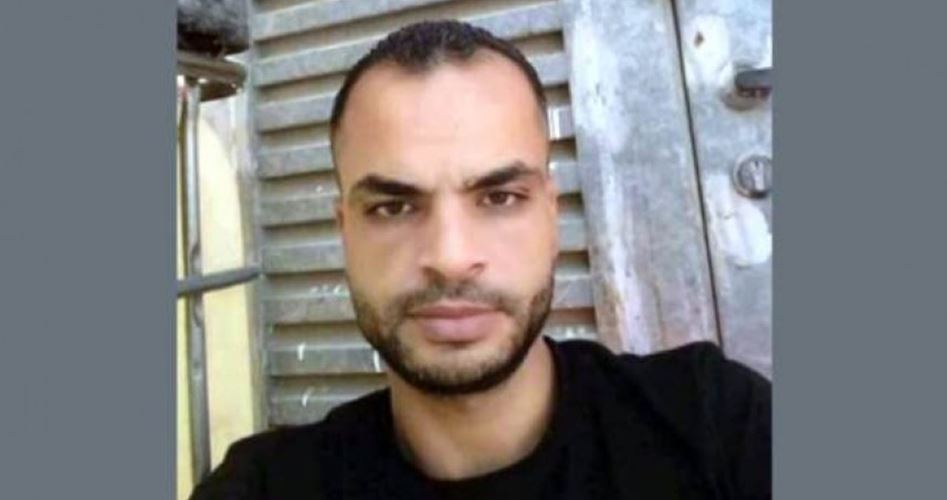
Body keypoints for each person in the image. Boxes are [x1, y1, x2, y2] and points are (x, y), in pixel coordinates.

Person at [190, 20, 771, 500]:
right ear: (345, 233)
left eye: (500, 198)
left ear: (551, 216)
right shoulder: (265, 486)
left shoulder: (718, 425)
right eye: (393, 207)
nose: (450, 257)